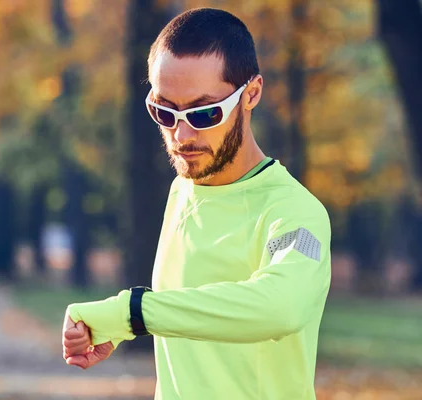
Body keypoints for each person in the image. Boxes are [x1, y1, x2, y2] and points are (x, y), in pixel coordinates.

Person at [61, 7, 331, 400]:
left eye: (204, 113)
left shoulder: (295, 216)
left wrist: (133, 313)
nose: (181, 134)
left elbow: (282, 306)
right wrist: (118, 328)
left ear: (251, 93)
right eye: (164, 111)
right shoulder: (182, 190)